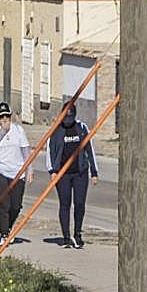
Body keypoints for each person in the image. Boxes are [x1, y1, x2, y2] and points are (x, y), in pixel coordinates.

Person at [47, 105, 99, 248]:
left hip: (80, 172)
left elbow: (89, 149)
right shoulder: (56, 130)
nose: (68, 120)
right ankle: (66, 237)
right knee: (65, 204)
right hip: (62, 173)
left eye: (70, 117)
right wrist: (52, 171)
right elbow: (50, 151)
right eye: (65, 117)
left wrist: (94, 172)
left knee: (79, 203)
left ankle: (77, 234)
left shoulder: (81, 128)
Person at [0, 102, 33, 244]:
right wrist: (2, 132)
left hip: (17, 172)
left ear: (11, 116)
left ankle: (8, 227)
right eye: (1, 117)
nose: (4, 119)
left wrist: (29, 170)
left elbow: (26, 151)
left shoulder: (18, 130)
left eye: (7, 116)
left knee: (16, 206)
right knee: (3, 204)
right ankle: (4, 234)